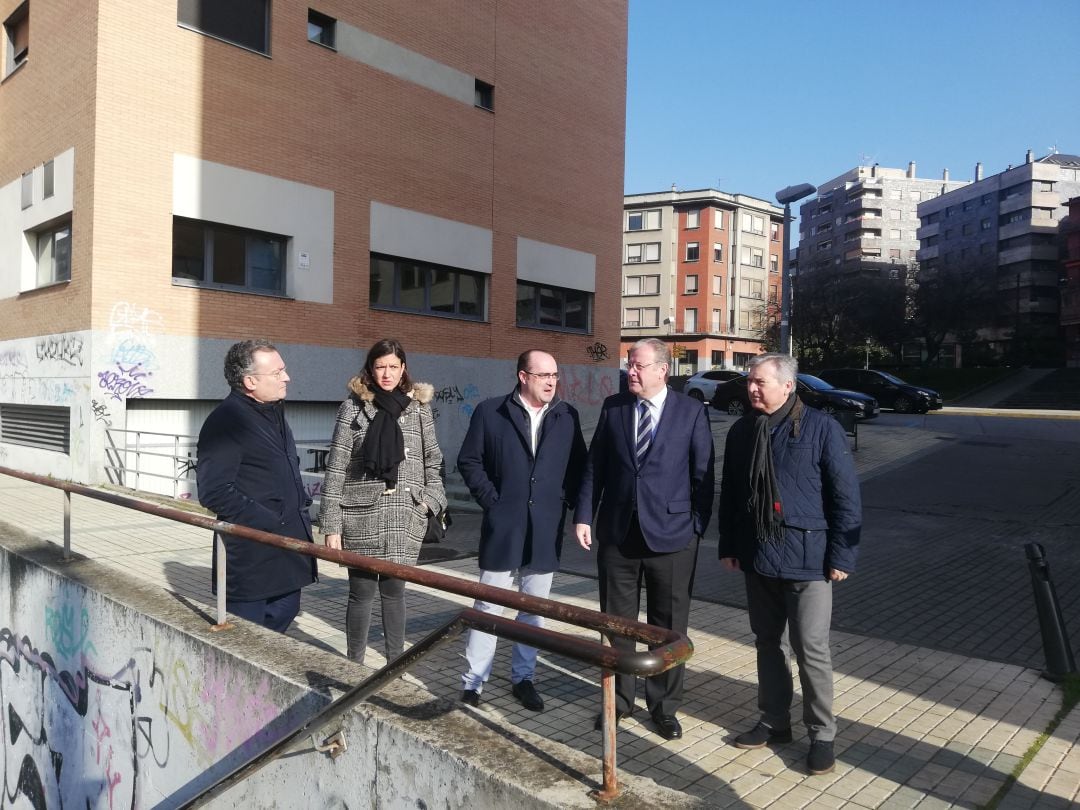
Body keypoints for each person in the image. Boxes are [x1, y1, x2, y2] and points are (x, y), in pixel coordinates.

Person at [718, 353, 861, 776]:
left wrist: (841, 555)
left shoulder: (820, 428)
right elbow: (731, 495)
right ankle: (774, 721)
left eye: (760, 382)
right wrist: (729, 543)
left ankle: (822, 735)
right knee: (767, 643)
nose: (752, 389)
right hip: (759, 555)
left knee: (811, 649)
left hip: (809, 559)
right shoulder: (744, 430)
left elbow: (845, 497)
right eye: (750, 382)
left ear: (787, 386)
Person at [574, 338, 714, 740]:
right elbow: (594, 467)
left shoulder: (689, 412)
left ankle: (664, 707)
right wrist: (585, 515)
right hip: (617, 536)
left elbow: (703, 475)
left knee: (667, 627)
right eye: (628, 364)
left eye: (637, 365)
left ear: (661, 370)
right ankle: (618, 702)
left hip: (672, 538)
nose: (630, 371)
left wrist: (695, 529)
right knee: (617, 626)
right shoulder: (614, 408)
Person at [457, 350, 587, 711]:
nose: (551, 382)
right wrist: (492, 501)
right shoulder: (491, 411)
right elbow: (469, 460)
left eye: (555, 375)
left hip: (545, 528)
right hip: (504, 526)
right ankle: (474, 682)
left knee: (533, 609)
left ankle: (524, 678)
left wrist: (567, 504)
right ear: (522, 376)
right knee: (488, 606)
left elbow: (579, 467)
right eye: (543, 375)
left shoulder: (565, 416)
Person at [319, 338, 446, 666]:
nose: (386, 374)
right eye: (380, 367)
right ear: (370, 369)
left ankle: (395, 666)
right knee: (360, 594)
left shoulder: (418, 407)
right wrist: (331, 526)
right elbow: (336, 468)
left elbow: (432, 458)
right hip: (361, 515)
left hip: (406, 515)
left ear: (403, 368)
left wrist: (430, 501)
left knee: (395, 594)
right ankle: (354, 665)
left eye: (393, 366)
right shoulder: (353, 406)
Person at [197, 339, 318, 632]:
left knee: (286, 612)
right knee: (247, 640)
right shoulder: (226, 420)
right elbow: (214, 491)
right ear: (250, 381)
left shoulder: (274, 413)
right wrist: (270, 522)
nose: (286, 377)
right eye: (277, 373)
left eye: (283, 370)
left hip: (287, 553)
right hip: (252, 557)